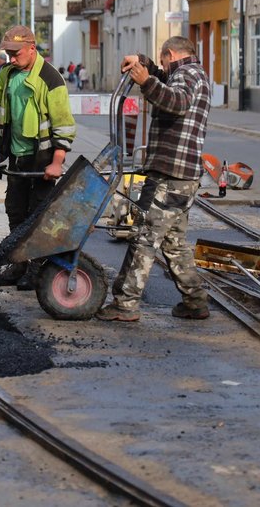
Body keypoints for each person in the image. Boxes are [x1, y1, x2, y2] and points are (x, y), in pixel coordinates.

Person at [97, 36, 212, 323]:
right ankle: (195, 301)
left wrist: (147, 81)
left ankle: (125, 304)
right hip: (182, 175)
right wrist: (144, 63)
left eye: (162, 61)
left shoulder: (187, 75)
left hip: (170, 175)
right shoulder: (192, 73)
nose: (161, 68)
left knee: (144, 238)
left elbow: (177, 101)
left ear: (170, 54)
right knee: (173, 243)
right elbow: (164, 79)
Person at [0, 25, 75, 287]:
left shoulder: (50, 79)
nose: (11, 58)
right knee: (15, 210)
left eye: (16, 53)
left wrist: (56, 162)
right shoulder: (7, 74)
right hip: (17, 155)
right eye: (8, 53)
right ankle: (19, 263)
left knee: (37, 215)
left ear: (32, 48)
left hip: (42, 158)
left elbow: (63, 124)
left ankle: (38, 268)